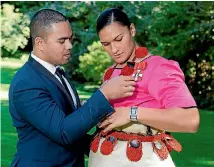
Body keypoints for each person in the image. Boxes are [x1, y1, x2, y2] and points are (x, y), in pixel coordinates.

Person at [8, 9, 136, 167]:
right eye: (62, 41)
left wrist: (110, 151)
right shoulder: (27, 83)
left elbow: (73, 128)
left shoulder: (57, 72)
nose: (69, 46)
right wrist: (104, 94)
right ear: (40, 43)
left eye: (70, 39)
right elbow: (64, 132)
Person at [88, 8, 200, 167]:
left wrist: (131, 113)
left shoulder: (159, 68)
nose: (114, 50)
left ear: (132, 30)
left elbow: (190, 120)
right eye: (106, 44)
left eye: (119, 39)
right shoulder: (111, 73)